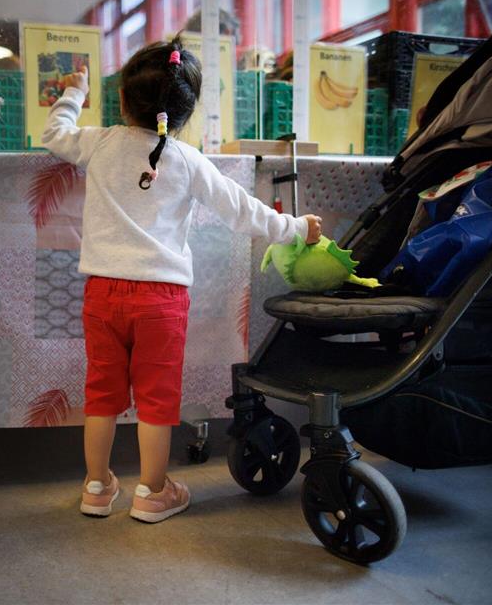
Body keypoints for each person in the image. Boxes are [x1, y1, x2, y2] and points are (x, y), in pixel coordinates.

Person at [41, 39, 322, 523]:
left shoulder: (100, 142)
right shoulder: (188, 160)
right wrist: (298, 228)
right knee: (155, 398)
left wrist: (75, 91)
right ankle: (152, 492)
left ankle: (95, 486)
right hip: (161, 300)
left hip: (103, 294)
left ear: (123, 100)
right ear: (185, 113)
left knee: (101, 394)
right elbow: (243, 211)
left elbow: (54, 133)